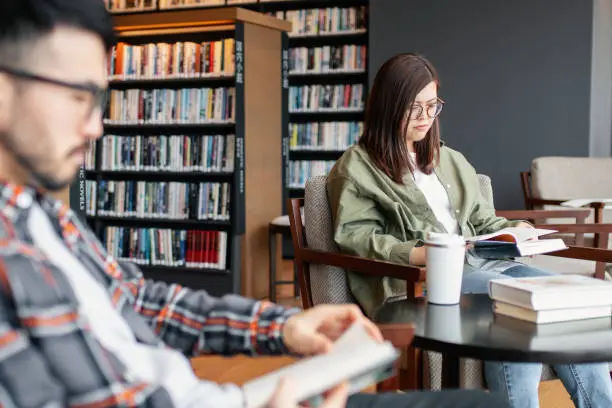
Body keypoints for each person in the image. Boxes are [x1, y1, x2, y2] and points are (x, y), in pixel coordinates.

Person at [0, 2, 511, 407]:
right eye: (77, 96)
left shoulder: (45, 217)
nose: (96, 127)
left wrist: (280, 326)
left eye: (101, 100)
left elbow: (137, 299)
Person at [326, 52, 612, 408]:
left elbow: (482, 222)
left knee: (561, 298)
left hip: (484, 266)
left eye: (433, 106)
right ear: (388, 104)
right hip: (423, 279)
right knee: (514, 308)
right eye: (414, 108)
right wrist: (420, 252)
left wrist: (519, 230)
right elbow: (357, 238)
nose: (426, 118)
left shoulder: (450, 160)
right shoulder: (357, 167)